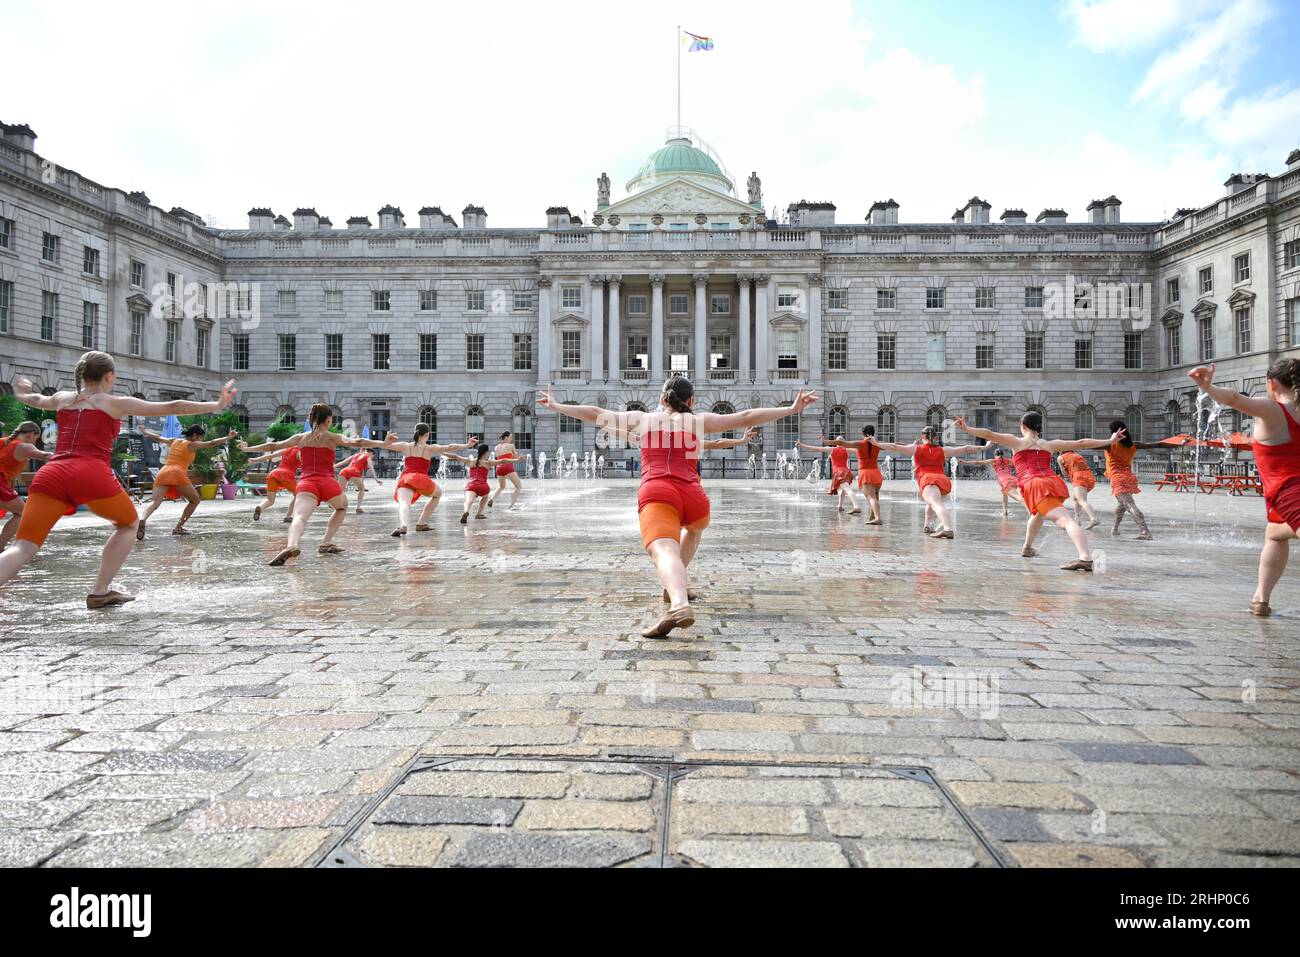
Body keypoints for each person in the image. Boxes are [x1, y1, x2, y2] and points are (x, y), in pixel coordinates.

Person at [539, 376, 817, 638]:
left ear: (662, 399)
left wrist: (556, 406)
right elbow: (745, 417)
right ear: (692, 401)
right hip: (694, 497)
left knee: (664, 551)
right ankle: (674, 584)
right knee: (694, 530)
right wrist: (791, 408)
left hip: (658, 492)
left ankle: (679, 604)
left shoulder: (643, 420)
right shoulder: (698, 421)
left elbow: (594, 412)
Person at [0, 352, 236, 607]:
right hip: (90, 472)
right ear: (109, 376)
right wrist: (216, 405)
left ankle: (102, 591)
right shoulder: (115, 403)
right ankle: (100, 591)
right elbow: (173, 406)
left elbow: (36, 398)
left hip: (51, 474)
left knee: (23, 546)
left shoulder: (64, 399)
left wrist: (21, 392)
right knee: (129, 525)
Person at [1189, 359, 1300, 617]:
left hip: (1287, 490)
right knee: (1274, 535)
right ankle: (1260, 599)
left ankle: (1261, 599)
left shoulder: (1274, 409)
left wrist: (1208, 386)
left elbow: (1235, 399)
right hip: (1285, 493)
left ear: (1271, 383)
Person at [956, 413, 1128, 571]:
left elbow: (988, 434)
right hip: (1050, 481)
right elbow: (1081, 443)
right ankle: (1028, 547)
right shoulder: (1050, 444)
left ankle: (1085, 558)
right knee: (1037, 513)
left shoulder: (1017, 442)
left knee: (1066, 520)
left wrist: (967, 428)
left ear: (1023, 426)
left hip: (1035, 484)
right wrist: (1110, 440)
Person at [238, 404, 394, 566]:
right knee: (342, 507)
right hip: (327, 483)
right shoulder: (333, 437)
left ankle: (292, 545)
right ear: (328, 420)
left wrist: (247, 448)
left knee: (299, 517)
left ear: (312, 419)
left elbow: (272, 447)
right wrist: (383, 443)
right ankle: (326, 542)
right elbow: (359, 442)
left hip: (307, 484)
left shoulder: (300, 438)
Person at [871, 426, 982, 539]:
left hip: (928, 479)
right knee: (932, 503)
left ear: (922, 436)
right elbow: (966, 448)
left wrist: (876, 443)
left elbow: (894, 447)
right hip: (943, 480)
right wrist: (985, 446)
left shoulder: (916, 448)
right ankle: (928, 526)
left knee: (936, 504)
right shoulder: (942, 450)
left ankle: (947, 529)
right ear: (935, 436)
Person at [136, 425, 237, 540]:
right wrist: (228, 437)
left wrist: (145, 431)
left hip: (164, 471)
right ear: (194, 436)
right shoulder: (191, 444)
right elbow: (211, 443)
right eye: (200, 437)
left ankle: (143, 519)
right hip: (177, 473)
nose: (201, 440)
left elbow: (158, 438)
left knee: (155, 502)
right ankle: (178, 527)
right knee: (195, 500)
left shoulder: (174, 440)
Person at [383, 425, 477, 536]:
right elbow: (450, 446)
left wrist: (386, 440)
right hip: (421, 479)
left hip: (406, 478)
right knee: (438, 494)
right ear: (427, 434)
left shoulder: (405, 446)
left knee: (404, 503)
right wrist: (467, 445)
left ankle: (403, 525)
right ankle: (421, 523)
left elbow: (386, 446)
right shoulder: (429, 448)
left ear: (415, 433)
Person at [1102, 418, 1165, 540]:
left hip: (1118, 478)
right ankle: (1114, 529)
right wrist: (1178, 442)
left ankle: (1145, 531)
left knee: (1130, 505)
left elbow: (1089, 445)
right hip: (1129, 477)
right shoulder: (1134, 445)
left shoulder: (1110, 445)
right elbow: (1158, 444)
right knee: (1122, 505)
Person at [0, 421, 54, 550]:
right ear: (31, 435)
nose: (34, 442)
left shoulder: (3, 441)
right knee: (23, 513)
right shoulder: (25, 446)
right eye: (35, 439)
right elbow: (46, 456)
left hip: (3, 483)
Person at [821, 427, 884, 524]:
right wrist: (912, 446)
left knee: (871, 497)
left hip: (867, 473)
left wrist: (826, 441)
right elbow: (895, 445)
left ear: (863, 434)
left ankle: (878, 518)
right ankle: (873, 516)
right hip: (877, 473)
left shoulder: (860, 444)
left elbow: (842, 443)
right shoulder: (877, 444)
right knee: (875, 496)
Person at [441, 443, 516, 524]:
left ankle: (466, 511)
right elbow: (503, 461)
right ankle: (479, 513)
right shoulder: (487, 462)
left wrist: (442, 452)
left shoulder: (470, 460)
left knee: (468, 500)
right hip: (483, 487)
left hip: (472, 485)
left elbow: (455, 456)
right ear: (486, 452)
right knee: (485, 497)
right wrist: (517, 460)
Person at [796, 438, 862, 514]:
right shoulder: (847, 450)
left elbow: (815, 448)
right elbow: (860, 450)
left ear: (836, 442)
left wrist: (801, 445)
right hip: (847, 472)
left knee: (847, 489)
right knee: (842, 489)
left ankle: (856, 506)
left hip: (839, 472)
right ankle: (840, 506)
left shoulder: (832, 449)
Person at [951, 449, 1021, 517]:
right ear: (1003, 454)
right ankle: (1005, 512)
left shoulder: (993, 461)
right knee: (1005, 495)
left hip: (1004, 481)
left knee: (1017, 498)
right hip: (1012, 479)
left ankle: (1024, 507)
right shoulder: (1008, 460)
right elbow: (1019, 463)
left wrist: (965, 462)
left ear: (995, 455)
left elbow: (978, 462)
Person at [247, 446, 301, 524]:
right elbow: (306, 465)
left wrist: (254, 460)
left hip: (273, 473)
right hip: (286, 475)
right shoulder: (300, 451)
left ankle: (260, 507)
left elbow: (270, 456)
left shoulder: (287, 449)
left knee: (270, 500)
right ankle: (288, 516)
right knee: (298, 495)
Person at [1057, 449, 1100, 529]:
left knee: (1081, 500)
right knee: (1076, 498)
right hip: (1090, 477)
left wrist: (1066, 472)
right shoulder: (1077, 455)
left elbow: (1064, 473)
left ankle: (1093, 518)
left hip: (1079, 477)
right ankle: (1077, 519)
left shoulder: (1060, 457)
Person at [486, 431, 525, 511]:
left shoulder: (496, 447)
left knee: (501, 487)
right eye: (510, 437)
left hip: (499, 468)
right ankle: (511, 505)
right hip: (508, 466)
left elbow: (498, 458)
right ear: (506, 437)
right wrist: (520, 458)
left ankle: (491, 499)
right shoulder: (511, 446)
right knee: (518, 487)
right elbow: (515, 458)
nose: (511, 439)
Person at [336, 449, 380, 515]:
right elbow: (371, 468)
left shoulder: (356, 454)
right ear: (370, 453)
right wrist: (376, 479)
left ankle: (334, 504)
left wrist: (333, 466)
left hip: (344, 471)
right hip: (354, 472)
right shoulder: (368, 457)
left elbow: (344, 462)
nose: (372, 457)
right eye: (373, 455)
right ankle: (358, 508)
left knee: (341, 491)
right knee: (362, 489)